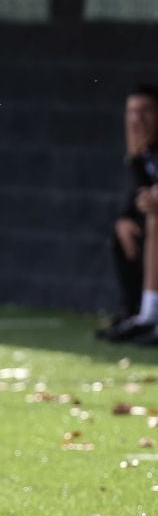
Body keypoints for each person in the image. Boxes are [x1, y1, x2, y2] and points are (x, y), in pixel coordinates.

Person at [99, 87, 158, 340]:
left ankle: (150, 314)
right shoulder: (145, 152)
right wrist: (125, 216)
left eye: (145, 112)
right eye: (132, 113)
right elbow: (140, 191)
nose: (137, 120)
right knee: (126, 230)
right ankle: (135, 311)